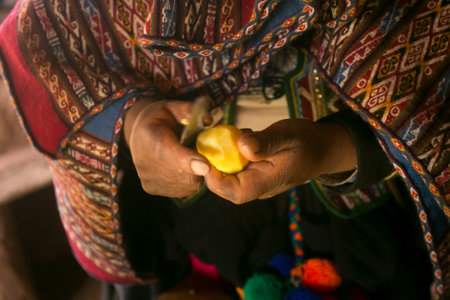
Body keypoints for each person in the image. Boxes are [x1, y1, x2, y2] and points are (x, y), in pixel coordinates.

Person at [0, 0, 447, 299]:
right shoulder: (65, 12)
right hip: (203, 230)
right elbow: (44, 55)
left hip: (376, 216)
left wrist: (338, 148)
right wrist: (132, 122)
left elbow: (431, 81)